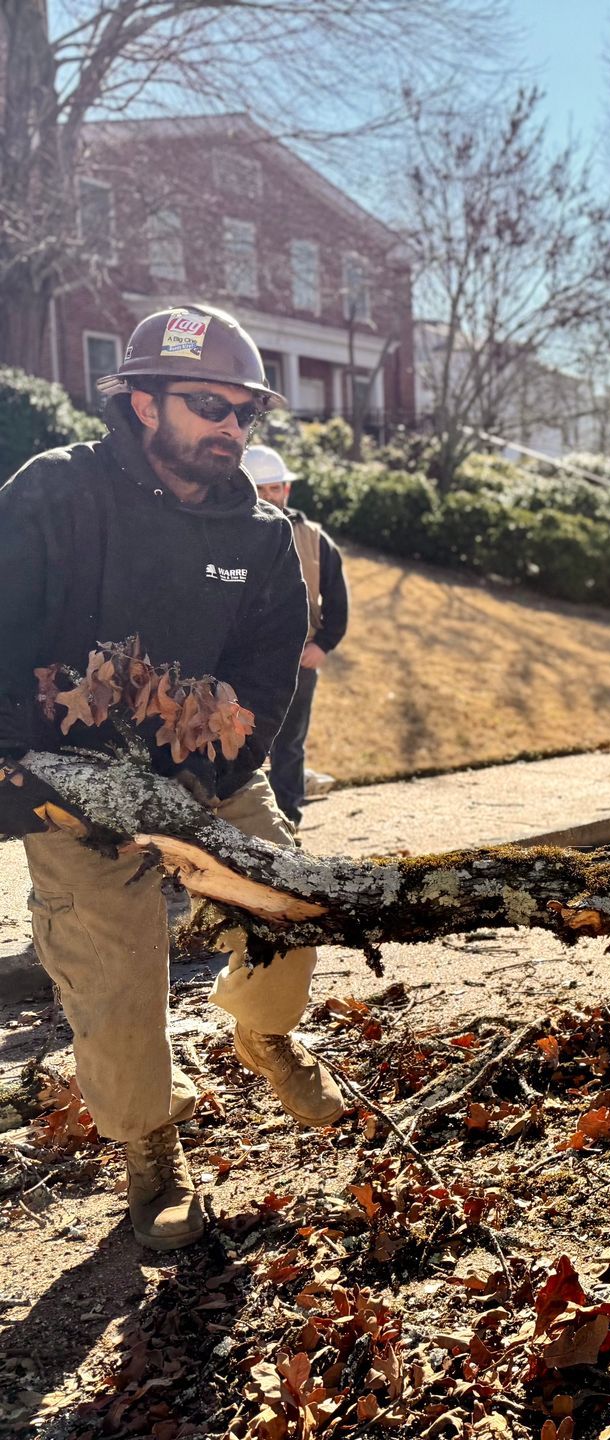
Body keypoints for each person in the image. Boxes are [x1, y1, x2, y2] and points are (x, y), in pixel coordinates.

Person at [0, 304, 346, 1253]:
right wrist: (26, 774)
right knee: (111, 970)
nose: (232, 429)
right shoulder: (55, 495)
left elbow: (269, 677)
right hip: (68, 777)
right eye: (210, 406)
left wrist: (212, 781)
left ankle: (263, 1032)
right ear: (144, 404)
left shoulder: (266, 538)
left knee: (291, 893)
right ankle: (150, 1151)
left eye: (247, 414)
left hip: (207, 776)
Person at [245, 445, 350, 828]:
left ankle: (288, 819)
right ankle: (247, 821)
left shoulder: (314, 540)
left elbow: (338, 600)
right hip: (246, 664)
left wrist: (323, 644)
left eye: (276, 489)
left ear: (286, 491)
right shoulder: (229, 534)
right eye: (262, 489)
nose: (270, 497)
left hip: (299, 662)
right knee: (241, 743)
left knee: (289, 744)